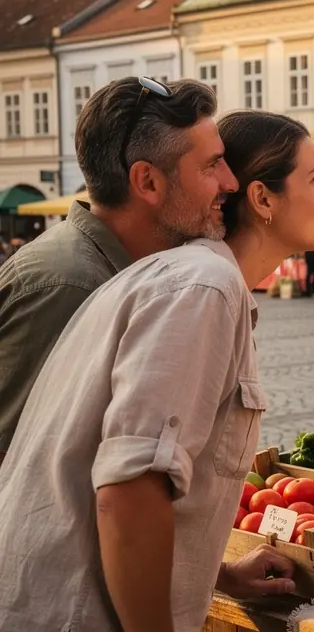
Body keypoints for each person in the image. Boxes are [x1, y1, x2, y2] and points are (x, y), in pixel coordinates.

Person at [0, 108, 314, 632]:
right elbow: (126, 493)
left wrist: (218, 574)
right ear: (264, 199)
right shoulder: (203, 291)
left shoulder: (195, 283)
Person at [0, 77, 229, 463]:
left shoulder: (117, 273)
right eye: (212, 166)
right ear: (148, 181)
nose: (231, 181)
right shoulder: (70, 288)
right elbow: (15, 463)